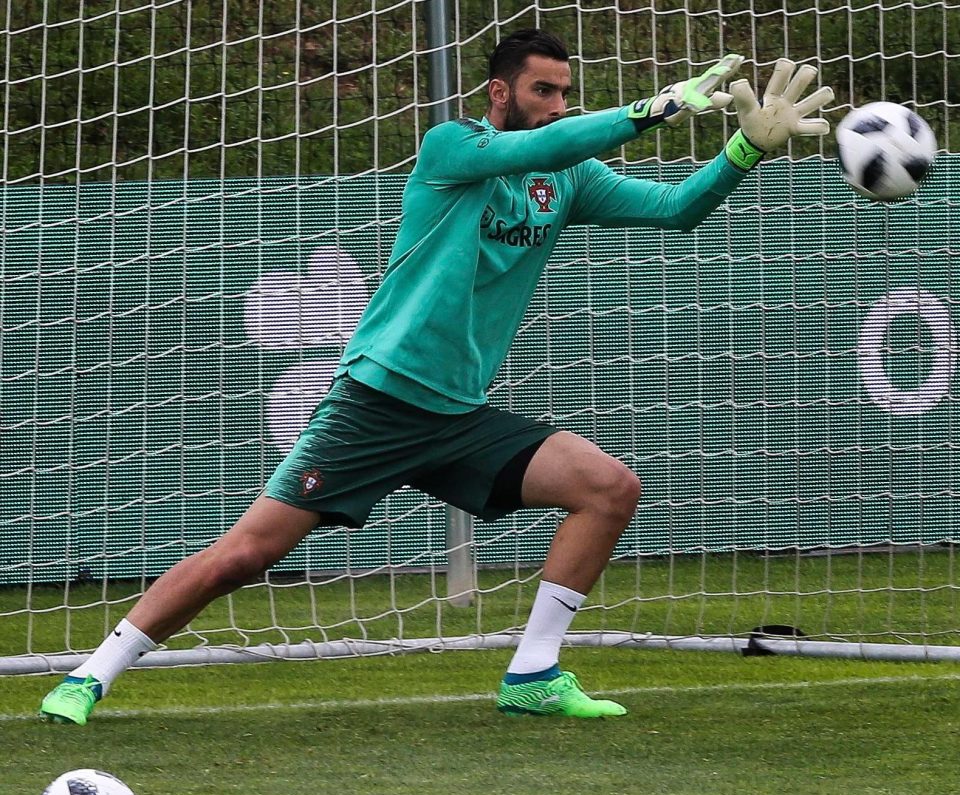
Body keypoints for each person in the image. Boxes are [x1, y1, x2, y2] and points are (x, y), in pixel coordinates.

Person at [39, 29, 833, 724]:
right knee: (243, 556)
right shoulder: (451, 147)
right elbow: (535, 149)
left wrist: (744, 151)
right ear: (499, 92)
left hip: (459, 417)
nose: (557, 105)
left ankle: (533, 674)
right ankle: (90, 675)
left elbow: (676, 210)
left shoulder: (569, 179)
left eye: (565, 92)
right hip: (375, 404)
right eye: (542, 90)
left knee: (609, 487)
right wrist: (651, 109)